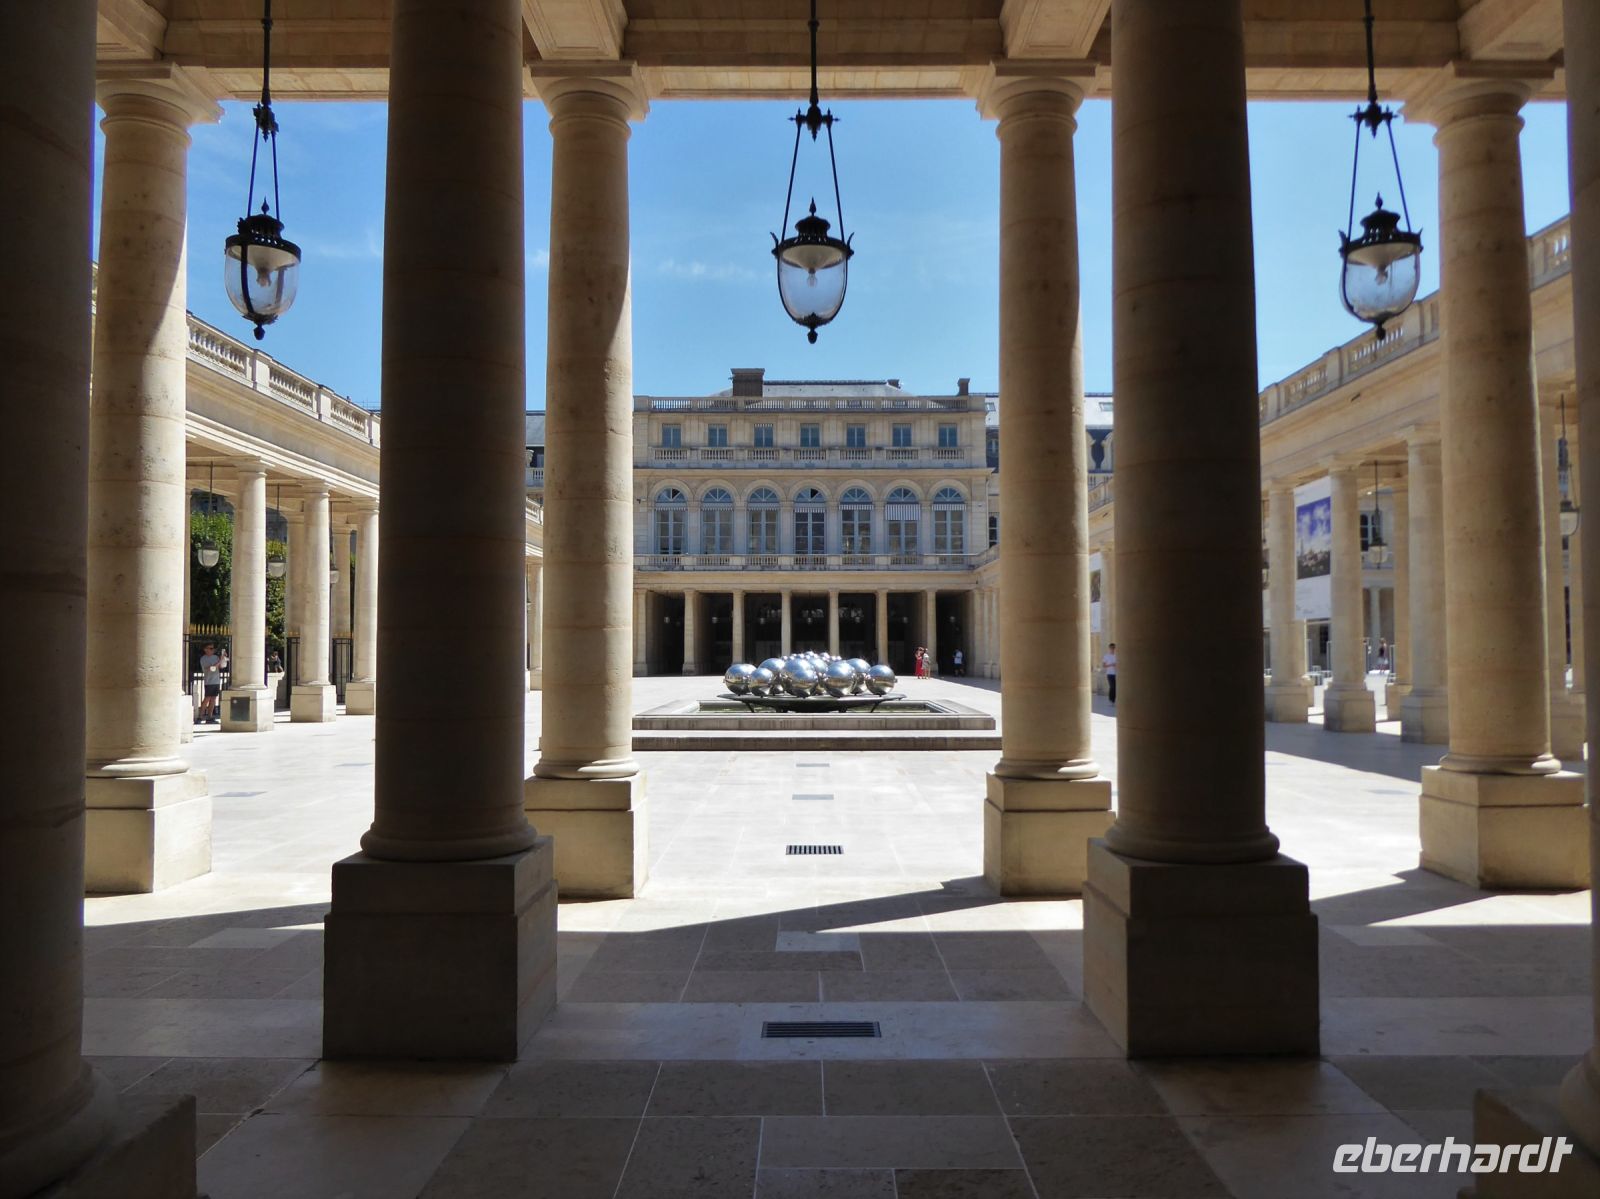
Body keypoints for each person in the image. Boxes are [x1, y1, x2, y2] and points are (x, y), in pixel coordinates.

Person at [198, 643, 224, 724]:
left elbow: (220, 667)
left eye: (213, 648)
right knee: (207, 698)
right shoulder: (203, 659)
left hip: (216, 681)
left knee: (213, 699)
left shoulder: (215, 657)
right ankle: (200, 716)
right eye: (211, 648)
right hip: (209, 681)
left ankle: (210, 716)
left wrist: (223, 660)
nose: (213, 650)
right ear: (205, 649)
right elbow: (211, 669)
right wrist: (219, 661)